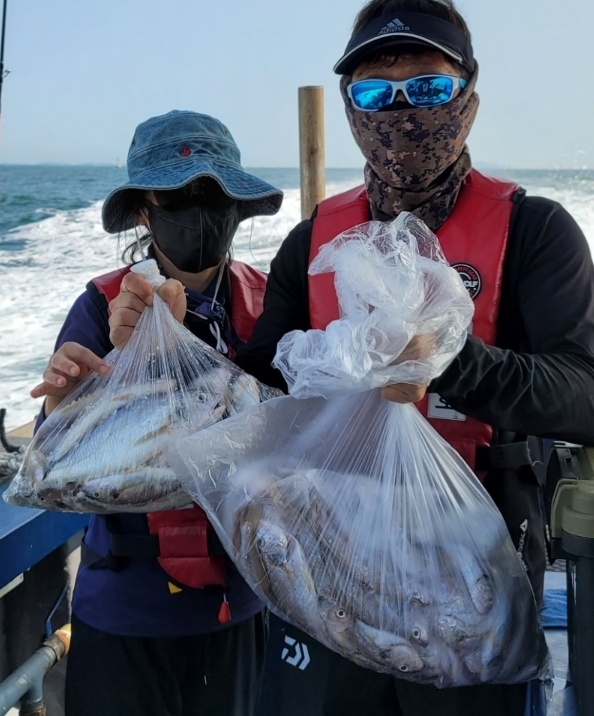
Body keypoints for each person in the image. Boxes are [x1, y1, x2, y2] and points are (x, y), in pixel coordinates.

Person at [229, 1, 594, 715]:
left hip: (474, 575)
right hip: (331, 578)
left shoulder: (535, 231)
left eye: (427, 86)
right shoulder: (311, 243)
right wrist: (151, 349)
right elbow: (259, 387)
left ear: (469, 99)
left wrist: (454, 361)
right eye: (374, 92)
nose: (400, 111)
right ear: (350, 108)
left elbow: (583, 394)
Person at [30, 109, 283, 716]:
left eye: (213, 194)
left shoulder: (270, 304)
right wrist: (65, 399)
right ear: (144, 211)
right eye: (173, 195)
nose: (198, 209)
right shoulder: (101, 307)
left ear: (237, 208)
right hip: (124, 609)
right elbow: (54, 465)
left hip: (240, 601)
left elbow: (295, 437)